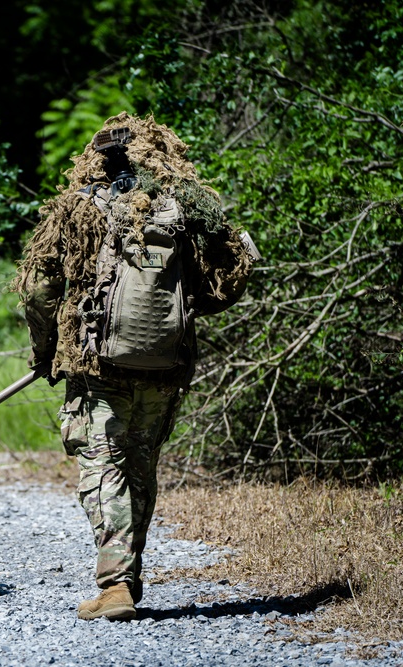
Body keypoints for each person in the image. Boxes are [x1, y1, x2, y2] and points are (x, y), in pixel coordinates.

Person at [13, 112, 251, 621]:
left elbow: (37, 290)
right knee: (140, 469)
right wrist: (180, 314)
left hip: (98, 366)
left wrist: (47, 347)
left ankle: (116, 585)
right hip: (165, 367)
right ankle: (127, 578)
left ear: (96, 158)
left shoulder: (78, 207)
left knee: (103, 469)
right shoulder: (185, 206)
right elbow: (229, 275)